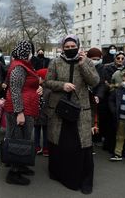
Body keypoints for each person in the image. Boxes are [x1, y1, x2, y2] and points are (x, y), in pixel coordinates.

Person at [44, 35, 99, 194]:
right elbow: (47, 82)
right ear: (62, 48)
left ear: (78, 46)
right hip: (59, 110)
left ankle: (84, 180)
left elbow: (94, 81)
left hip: (80, 110)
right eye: (66, 47)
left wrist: (82, 65)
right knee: (60, 142)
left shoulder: (86, 61)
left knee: (81, 144)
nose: (69, 49)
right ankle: (59, 174)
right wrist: (63, 85)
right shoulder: (55, 62)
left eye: (72, 46)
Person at [4, 40, 41, 186]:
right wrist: (19, 112)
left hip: (26, 107)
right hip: (20, 110)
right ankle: (13, 173)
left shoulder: (24, 65)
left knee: (24, 139)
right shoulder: (18, 67)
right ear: (26, 52)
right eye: (30, 50)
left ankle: (21, 165)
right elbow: (15, 91)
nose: (32, 53)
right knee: (17, 140)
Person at [101, 51, 125, 153]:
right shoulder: (108, 68)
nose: (120, 60)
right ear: (114, 59)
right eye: (118, 58)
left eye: (122, 58)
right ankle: (109, 144)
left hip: (122, 98)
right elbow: (106, 82)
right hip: (110, 98)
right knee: (110, 121)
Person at [86, 48, 106, 147]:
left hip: (96, 96)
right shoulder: (83, 65)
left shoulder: (102, 68)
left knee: (95, 118)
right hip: (85, 95)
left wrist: (99, 95)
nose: (96, 61)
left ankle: (94, 138)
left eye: (98, 59)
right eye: (94, 58)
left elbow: (102, 83)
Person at [34, 68, 50, 156]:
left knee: (46, 131)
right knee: (37, 130)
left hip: (44, 113)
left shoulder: (48, 89)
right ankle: (37, 147)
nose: (37, 78)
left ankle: (45, 148)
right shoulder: (35, 88)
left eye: (38, 77)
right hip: (37, 113)